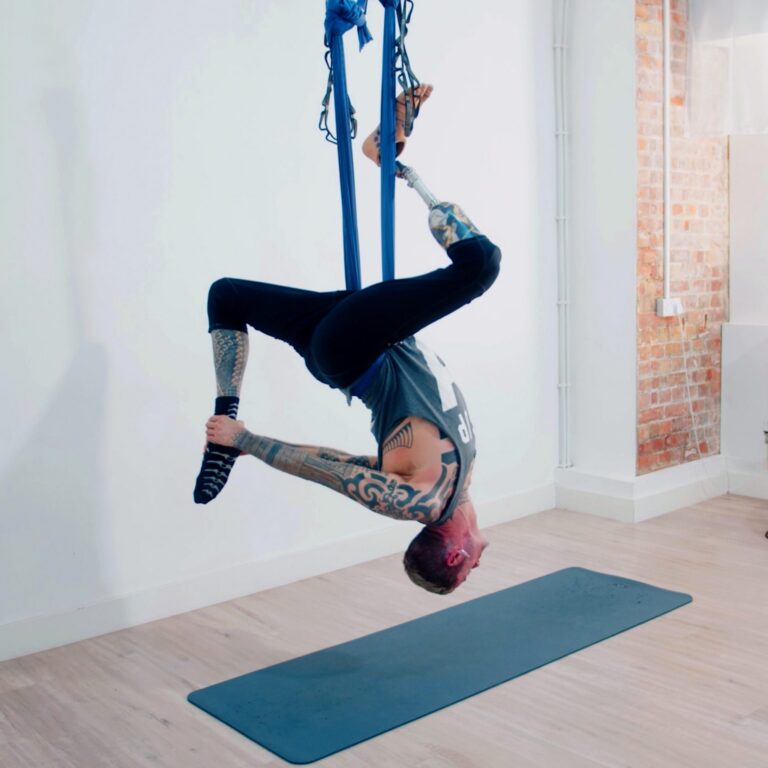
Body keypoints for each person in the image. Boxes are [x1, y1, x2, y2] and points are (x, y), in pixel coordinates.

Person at [193, 86, 500, 594]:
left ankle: (394, 165)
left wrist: (245, 440)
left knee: (481, 266)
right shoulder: (456, 486)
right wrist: (242, 441)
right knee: (226, 296)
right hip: (358, 341)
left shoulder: (419, 500)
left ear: (455, 554)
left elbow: (327, 470)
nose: (477, 568)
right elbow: (342, 461)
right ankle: (389, 161)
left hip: (356, 349)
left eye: (466, 571)